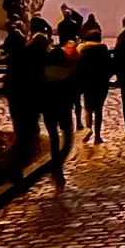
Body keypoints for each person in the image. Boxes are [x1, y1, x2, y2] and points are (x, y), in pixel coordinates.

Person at [5, 30, 45, 179]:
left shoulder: (19, 56)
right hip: (30, 101)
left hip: (17, 98)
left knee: (21, 131)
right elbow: (40, 82)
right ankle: (16, 166)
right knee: (27, 134)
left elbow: (9, 80)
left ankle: (15, 166)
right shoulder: (39, 59)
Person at [41, 35, 79, 173]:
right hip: (64, 108)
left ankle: (55, 160)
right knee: (68, 137)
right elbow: (74, 91)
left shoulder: (42, 73)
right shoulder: (69, 73)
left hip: (48, 108)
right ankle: (59, 161)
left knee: (53, 136)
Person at [78, 34, 115, 143]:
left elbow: (79, 68)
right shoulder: (104, 52)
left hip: (88, 83)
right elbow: (111, 67)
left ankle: (88, 128)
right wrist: (106, 77)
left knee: (88, 108)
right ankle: (97, 136)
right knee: (99, 109)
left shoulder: (84, 52)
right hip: (102, 84)